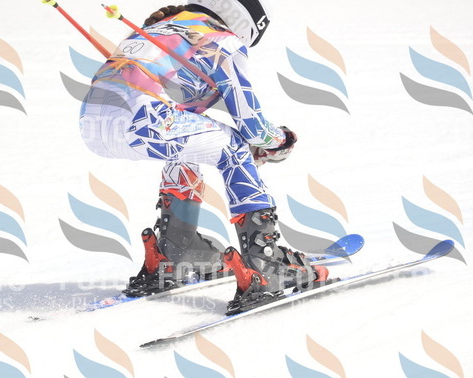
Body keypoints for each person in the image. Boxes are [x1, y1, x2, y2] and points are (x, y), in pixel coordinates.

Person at [79, 0, 329, 315]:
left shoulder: (161, 27)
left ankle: (179, 249)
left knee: (186, 141)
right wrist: (281, 140)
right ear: (251, 24)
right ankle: (266, 264)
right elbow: (252, 127)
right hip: (142, 121)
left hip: (90, 125)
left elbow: (182, 110)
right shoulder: (223, 39)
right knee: (234, 148)